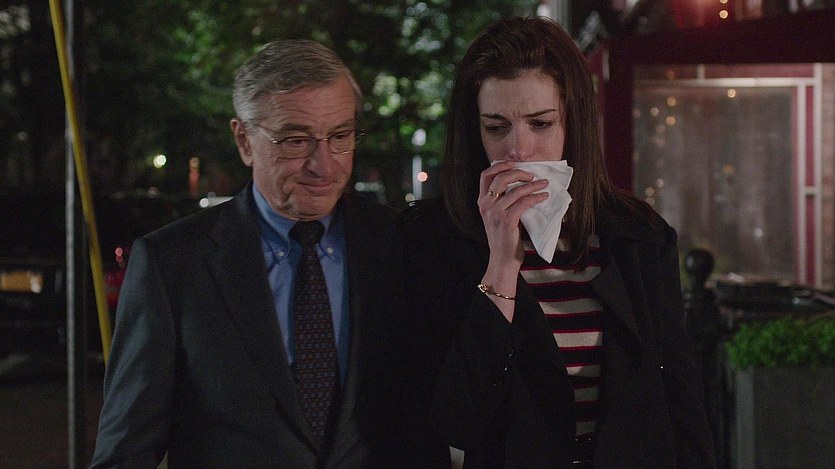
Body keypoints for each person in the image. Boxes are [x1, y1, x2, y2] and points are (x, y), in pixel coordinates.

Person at [91, 39, 441, 468]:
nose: (324, 165)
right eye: (295, 141)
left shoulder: (400, 245)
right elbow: (126, 451)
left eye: (340, 136)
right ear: (244, 140)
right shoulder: (173, 264)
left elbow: (424, 427)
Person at [399, 17, 717, 468]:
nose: (519, 149)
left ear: (572, 124)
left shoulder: (636, 236)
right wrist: (501, 265)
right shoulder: (437, 240)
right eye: (497, 127)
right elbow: (457, 420)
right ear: (475, 132)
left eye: (541, 123)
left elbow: (680, 400)